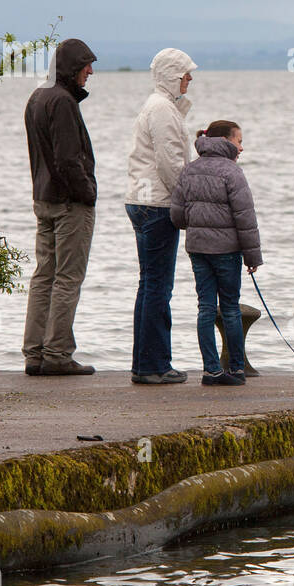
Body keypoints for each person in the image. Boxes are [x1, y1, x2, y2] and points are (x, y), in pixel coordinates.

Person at [22, 38, 98, 376]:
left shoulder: (37, 97)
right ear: (72, 67)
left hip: (43, 199)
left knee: (43, 276)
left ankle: (35, 353)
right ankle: (57, 354)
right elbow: (68, 159)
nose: (90, 72)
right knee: (68, 278)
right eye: (86, 65)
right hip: (69, 204)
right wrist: (88, 192)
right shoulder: (64, 102)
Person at [123, 48, 198, 385]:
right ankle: (154, 364)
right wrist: (188, 201)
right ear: (172, 75)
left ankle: (145, 362)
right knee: (158, 286)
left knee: (148, 284)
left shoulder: (161, 107)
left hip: (143, 200)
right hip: (157, 204)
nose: (190, 79)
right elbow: (171, 164)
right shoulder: (163, 110)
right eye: (185, 74)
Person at [169, 121, 262, 386]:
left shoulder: (189, 170)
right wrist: (252, 258)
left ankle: (211, 370)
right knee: (230, 308)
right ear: (224, 140)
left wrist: (198, 224)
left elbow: (176, 214)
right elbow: (246, 218)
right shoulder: (232, 172)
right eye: (239, 141)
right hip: (226, 251)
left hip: (198, 249)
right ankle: (235, 369)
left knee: (206, 308)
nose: (241, 147)